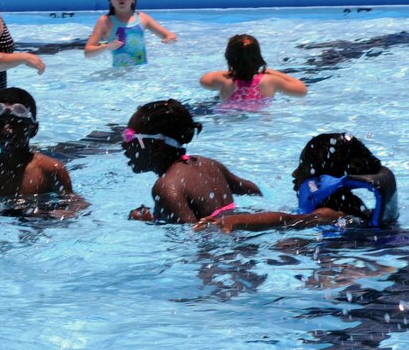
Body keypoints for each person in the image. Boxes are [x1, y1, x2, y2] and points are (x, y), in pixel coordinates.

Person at [195, 133, 399, 232]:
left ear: (323, 180)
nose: (294, 174)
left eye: (302, 168)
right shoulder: (349, 206)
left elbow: (289, 220)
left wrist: (237, 220)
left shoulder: (332, 212)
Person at [123, 99, 262, 223]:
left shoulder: (166, 187)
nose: (124, 144)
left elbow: (191, 237)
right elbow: (255, 191)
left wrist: (149, 221)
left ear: (156, 145)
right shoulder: (207, 164)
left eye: (129, 137)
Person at [0, 87, 83, 213]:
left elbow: (76, 204)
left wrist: (65, 213)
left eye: (16, 123)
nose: (7, 131)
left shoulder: (51, 170)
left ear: (33, 129)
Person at [84, 0, 177, 68]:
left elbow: (169, 35)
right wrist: (106, 47)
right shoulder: (105, 21)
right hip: (119, 76)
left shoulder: (143, 18)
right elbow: (88, 53)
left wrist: (170, 39)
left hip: (142, 73)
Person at [199, 34, 307, 104]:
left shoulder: (223, 80)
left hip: (227, 119)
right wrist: (275, 73)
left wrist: (231, 72)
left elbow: (204, 80)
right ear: (258, 57)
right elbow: (302, 90)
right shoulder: (271, 80)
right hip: (260, 122)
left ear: (228, 57)